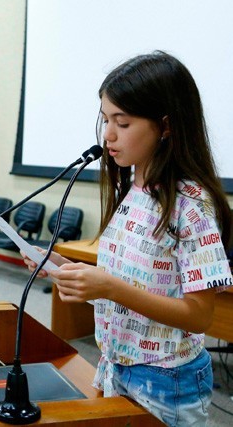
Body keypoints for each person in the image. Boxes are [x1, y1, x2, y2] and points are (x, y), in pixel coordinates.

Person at [23, 51, 232, 426]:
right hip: (119, 366)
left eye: (123, 122)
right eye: (105, 120)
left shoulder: (191, 203)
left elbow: (199, 316)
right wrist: (63, 268)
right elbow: (131, 275)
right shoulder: (131, 189)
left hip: (167, 381)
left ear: (165, 126)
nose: (108, 134)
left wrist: (110, 288)